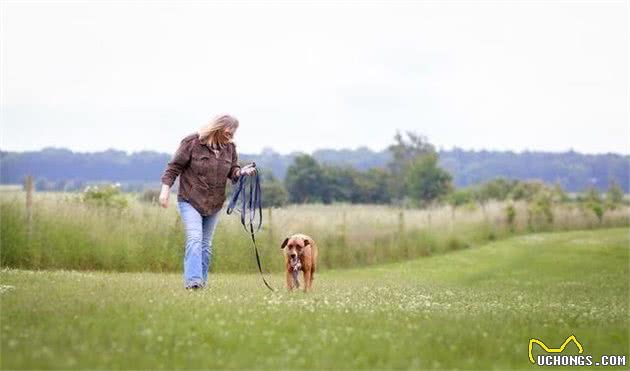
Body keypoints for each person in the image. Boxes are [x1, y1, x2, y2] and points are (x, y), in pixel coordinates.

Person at [159, 114, 256, 290]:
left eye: (233, 133)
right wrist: (165, 190)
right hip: (190, 199)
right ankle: (193, 281)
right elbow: (174, 167)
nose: (231, 137)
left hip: (215, 203)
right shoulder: (192, 142)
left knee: (206, 246)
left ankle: (200, 283)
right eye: (228, 132)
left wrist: (241, 172)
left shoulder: (230, 148)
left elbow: (232, 171)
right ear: (217, 127)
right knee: (195, 239)